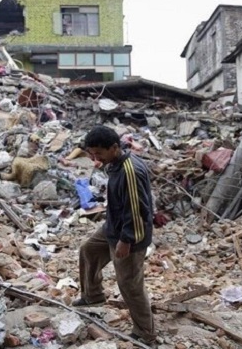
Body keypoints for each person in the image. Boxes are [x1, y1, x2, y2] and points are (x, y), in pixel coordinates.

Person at [73, 125, 156, 345]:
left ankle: (145, 332)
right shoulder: (115, 163)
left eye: (99, 153)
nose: (95, 158)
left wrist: (126, 241)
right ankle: (93, 295)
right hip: (114, 226)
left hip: (131, 233)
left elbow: (138, 209)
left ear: (114, 148)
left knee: (129, 284)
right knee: (88, 250)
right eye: (92, 153)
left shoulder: (130, 170)